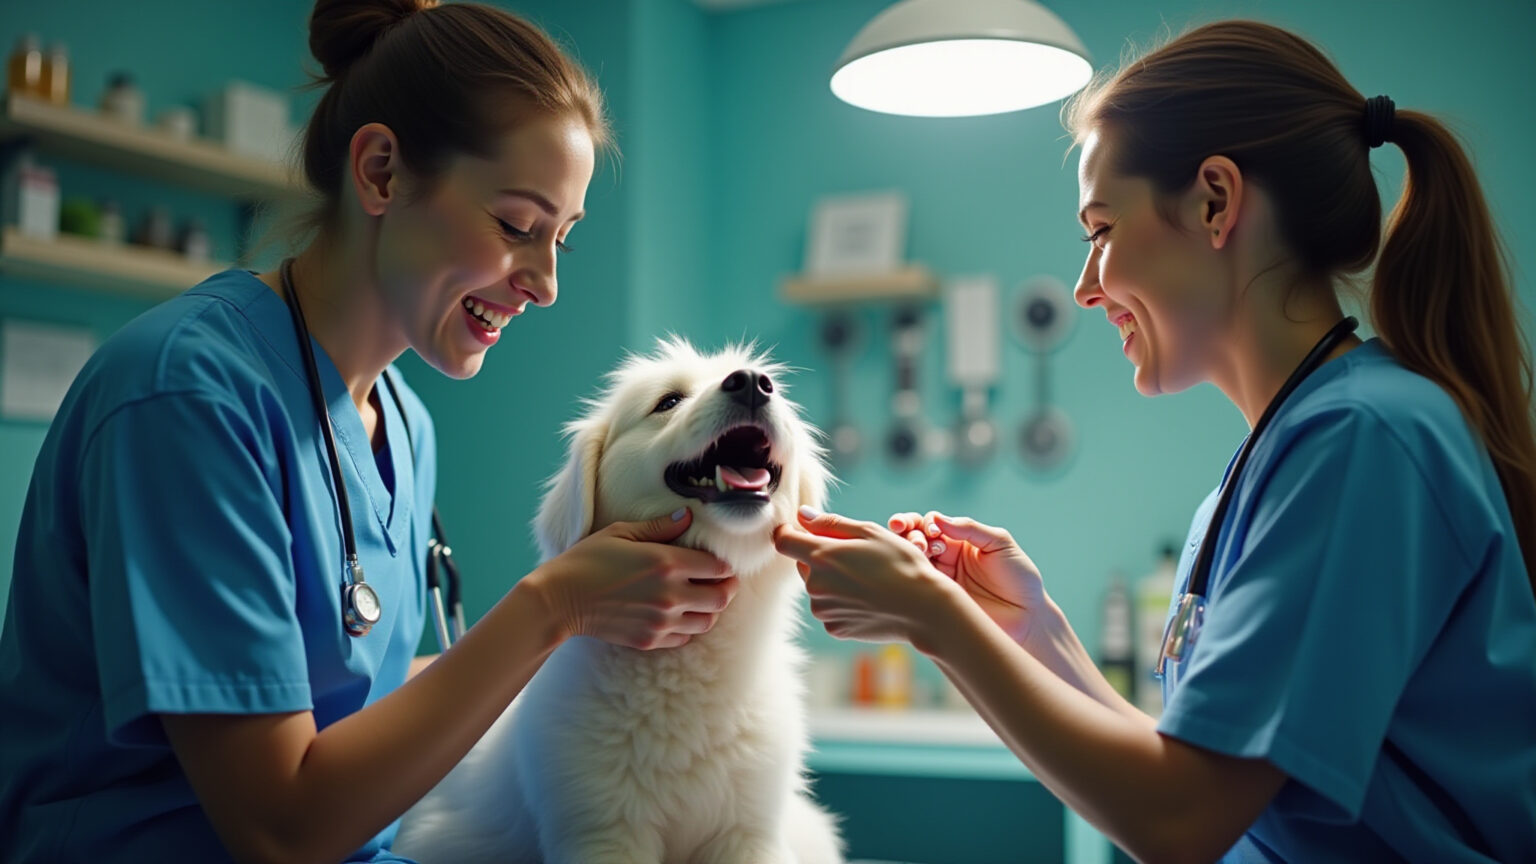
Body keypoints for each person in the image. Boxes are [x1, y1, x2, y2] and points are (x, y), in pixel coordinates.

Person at [775, 19, 1536, 864]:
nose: (1084, 287)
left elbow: (1180, 820)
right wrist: (1030, 634)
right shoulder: (1287, 453)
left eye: (1101, 231)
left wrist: (935, 618)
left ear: (1215, 201)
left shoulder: (1363, 441)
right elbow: (1193, 774)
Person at [0, 2, 738, 862]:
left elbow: (363, 709)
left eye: (561, 241)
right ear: (382, 171)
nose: (544, 285)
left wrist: (591, 645)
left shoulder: (403, 424)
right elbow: (281, 827)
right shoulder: (185, 395)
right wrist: (553, 604)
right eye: (516, 226)